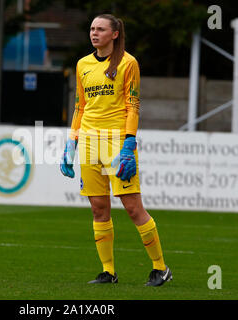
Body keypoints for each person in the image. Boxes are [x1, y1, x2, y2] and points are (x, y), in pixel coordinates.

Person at [60, 14, 172, 286]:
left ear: (115, 34)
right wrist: (71, 142)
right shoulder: (83, 64)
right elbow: (80, 106)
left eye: (100, 29)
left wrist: (129, 142)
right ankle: (108, 271)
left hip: (116, 142)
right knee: (99, 209)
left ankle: (161, 268)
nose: (94, 33)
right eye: (91, 29)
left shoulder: (128, 63)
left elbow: (133, 105)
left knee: (133, 208)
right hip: (88, 140)